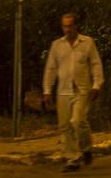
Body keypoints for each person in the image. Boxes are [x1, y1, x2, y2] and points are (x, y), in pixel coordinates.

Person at [43, 13, 104, 172]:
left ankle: (86, 148)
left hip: (82, 90)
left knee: (77, 120)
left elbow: (96, 65)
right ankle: (72, 159)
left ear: (76, 26)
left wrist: (97, 85)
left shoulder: (87, 42)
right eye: (65, 26)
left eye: (70, 26)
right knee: (64, 126)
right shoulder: (57, 45)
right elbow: (51, 68)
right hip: (63, 90)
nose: (67, 29)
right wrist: (47, 90)